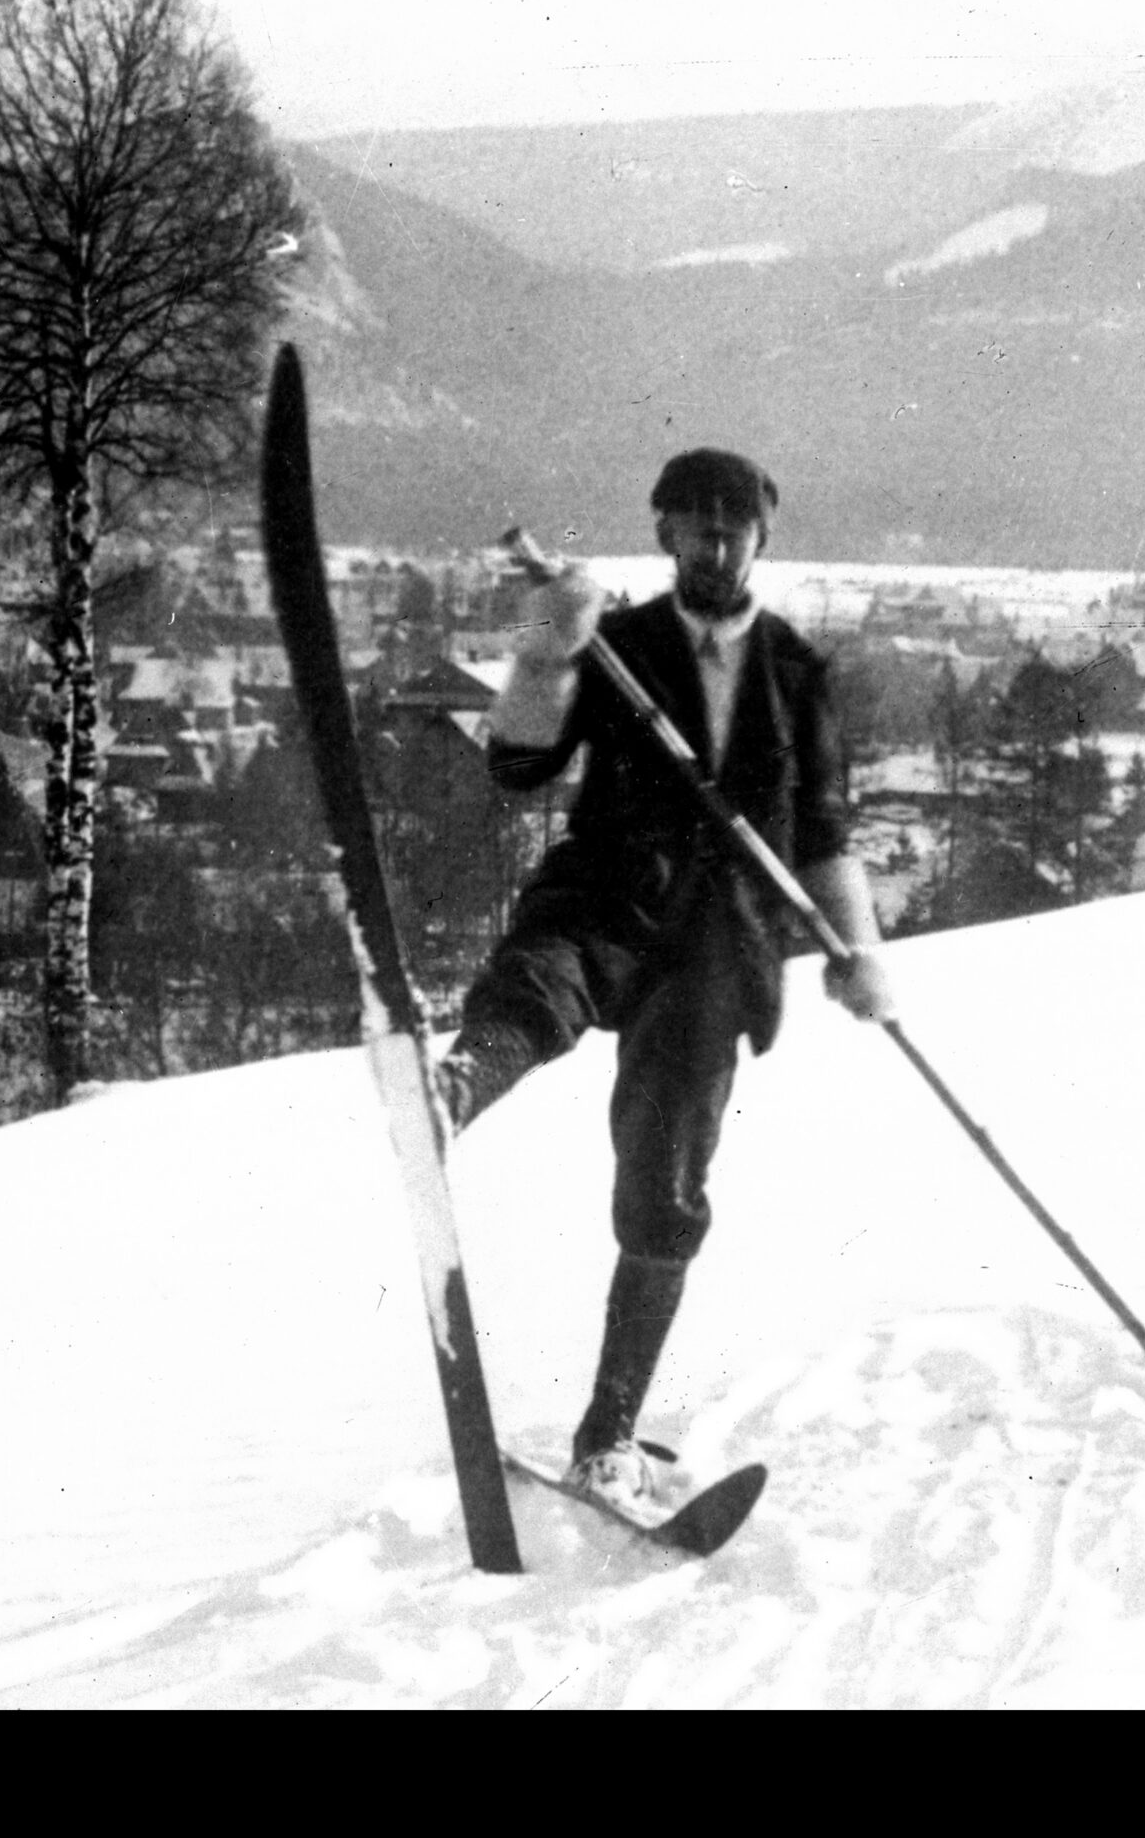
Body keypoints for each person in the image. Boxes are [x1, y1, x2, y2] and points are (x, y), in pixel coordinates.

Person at [436, 447, 895, 1514]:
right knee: (536, 988)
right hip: (605, 899)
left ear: (761, 540)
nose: (716, 543)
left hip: (715, 951)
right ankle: (451, 1089)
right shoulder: (619, 643)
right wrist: (548, 654)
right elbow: (516, 766)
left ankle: (606, 1433)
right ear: (666, 536)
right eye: (696, 525)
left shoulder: (795, 672)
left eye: (734, 526)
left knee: (664, 1191)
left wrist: (857, 948)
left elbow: (822, 829)